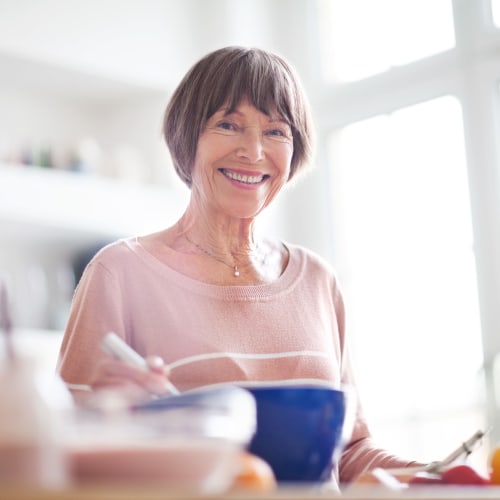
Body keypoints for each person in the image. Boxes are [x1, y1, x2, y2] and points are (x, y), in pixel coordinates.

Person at [57, 46, 416, 487]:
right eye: (228, 124)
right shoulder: (119, 273)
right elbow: (61, 448)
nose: (253, 151)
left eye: (276, 131)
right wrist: (114, 414)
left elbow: (352, 451)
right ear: (188, 137)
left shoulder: (319, 281)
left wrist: (437, 474)